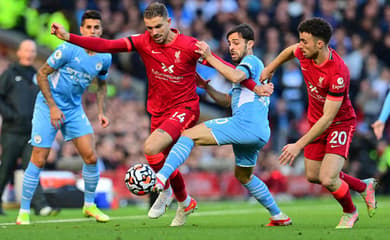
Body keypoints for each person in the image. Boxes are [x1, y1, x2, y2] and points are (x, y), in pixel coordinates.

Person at [50, 2, 264, 226]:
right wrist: (68, 36)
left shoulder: (190, 46)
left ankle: (165, 192)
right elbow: (106, 45)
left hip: (185, 108)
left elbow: (224, 68)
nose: (154, 33)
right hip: (158, 111)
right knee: (159, 160)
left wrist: (253, 85)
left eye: (158, 27)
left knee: (150, 148)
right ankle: (185, 202)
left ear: (169, 22)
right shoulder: (143, 41)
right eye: (149, 28)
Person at [153, 23, 291, 227]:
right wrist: (207, 88)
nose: (231, 47)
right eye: (229, 44)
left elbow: (235, 75)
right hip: (259, 131)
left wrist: (209, 56)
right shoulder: (251, 71)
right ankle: (278, 215)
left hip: (245, 125)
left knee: (188, 135)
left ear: (250, 43)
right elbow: (229, 101)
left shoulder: (251, 61)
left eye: (236, 43)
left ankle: (161, 178)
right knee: (243, 175)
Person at [260, 18, 377, 229]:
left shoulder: (338, 72)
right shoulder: (305, 53)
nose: (300, 46)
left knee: (328, 178)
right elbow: (290, 50)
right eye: (300, 40)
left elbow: (329, 118)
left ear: (320, 44)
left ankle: (350, 212)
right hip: (316, 121)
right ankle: (363, 186)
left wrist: (298, 144)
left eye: (304, 41)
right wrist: (271, 67)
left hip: (338, 123)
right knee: (314, 176)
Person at [15, 10, 112, 225]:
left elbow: (102, 83)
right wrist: (52, 106)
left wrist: (102, 111)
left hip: (74, 109)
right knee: (38, 158)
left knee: (91, 157)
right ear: (81, 29)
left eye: (96, 28)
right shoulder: (68, 49)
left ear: (101, 30)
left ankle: (89, 205)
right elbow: (41, 74)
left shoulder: (105, 56)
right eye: (88, 27)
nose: (92, 31)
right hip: (47, 105)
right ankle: (23, 211)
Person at [0, 40, 59, 217]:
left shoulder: (37, 75)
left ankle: (40, 206)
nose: (29, 53)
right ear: (19, 52)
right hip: (11, 131)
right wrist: (10, 114)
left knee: (33, 167)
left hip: (31, 132)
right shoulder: (10, 74)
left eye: (32, 51)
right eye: (26, 50)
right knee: (6, 168)